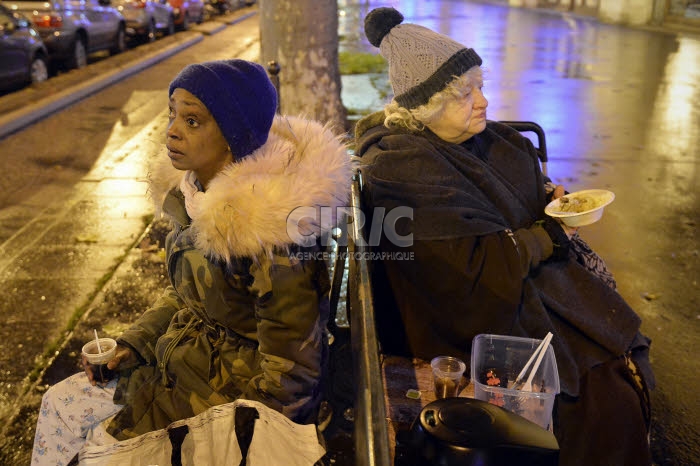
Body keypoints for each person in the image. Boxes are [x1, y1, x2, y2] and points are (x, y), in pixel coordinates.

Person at [354, 7, 654, 466]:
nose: (483, 102)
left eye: (480, 85)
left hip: (515, 280)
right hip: (472, 313)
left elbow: (509, 190)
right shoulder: (406, 170)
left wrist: (547, 200)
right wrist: (549, 235)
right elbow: (469, 273)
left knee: (613, 362)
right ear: (426, 106)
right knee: (602, 394)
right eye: (463, 93)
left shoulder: (464, 140)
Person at [31, 59, 351, 464]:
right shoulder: (197, 195)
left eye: (193, 120)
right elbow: (189, 297)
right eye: (172, 114)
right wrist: (136, 341)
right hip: (181, 364)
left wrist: (240, 442)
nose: (172, 130)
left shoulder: (270, 235)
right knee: (59, 404)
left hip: (225, 396)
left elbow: (291, 372)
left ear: (233, 136)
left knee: (97, 454)